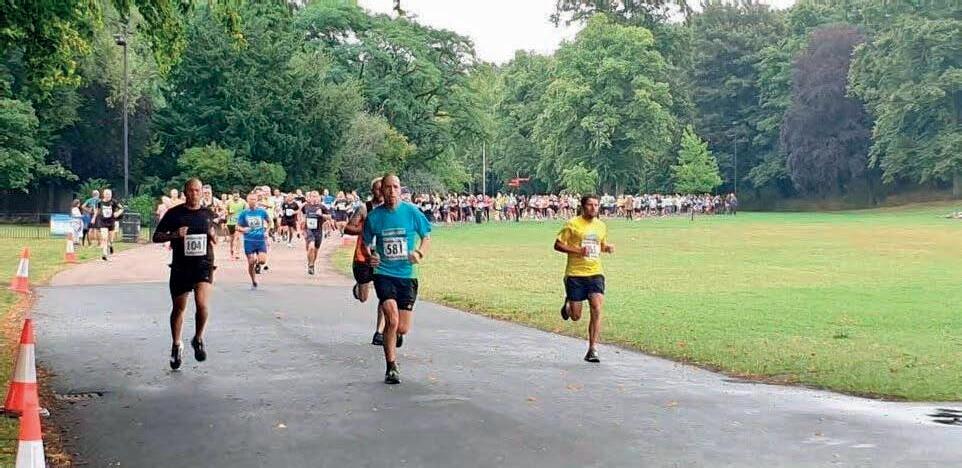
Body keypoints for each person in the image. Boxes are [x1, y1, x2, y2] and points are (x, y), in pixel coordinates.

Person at [362, 174, 431, 384]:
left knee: (401, 327)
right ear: (381, 190)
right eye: (388, 187)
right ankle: (391, 367)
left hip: (406, 275)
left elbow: (426, 236)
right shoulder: (374, 217)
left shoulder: (411, 212)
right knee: (391, 319)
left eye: (395, 187)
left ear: (400, 189)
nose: (392, 191)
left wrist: (419, 253)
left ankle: (395, 335)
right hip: (384, 273)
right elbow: (366, 244)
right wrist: (372, 256)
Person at [151, 179, 217, 370]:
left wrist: (213, 235)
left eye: (198, 190)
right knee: (179, 308)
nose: (194, 194)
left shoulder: (207, 213)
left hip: (204, 264)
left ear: (202, 192)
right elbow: (156, 236)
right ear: (185, 192)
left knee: (202, 305)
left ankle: (198, 338)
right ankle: (176, 344)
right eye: (191, 191)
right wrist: (174, 235)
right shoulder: (174, 213)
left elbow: (215, 234)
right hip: (181, 266)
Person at [554, 194, 615, 363]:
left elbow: (600, 245)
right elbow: (557, 244)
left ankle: (592, 349)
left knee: (596, 307)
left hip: (595, 272)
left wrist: (607, 248)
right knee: (575, 316)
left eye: (596, 205)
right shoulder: (572, 224)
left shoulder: (601, 226)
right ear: (582, 206)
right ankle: (568, 306)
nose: (594, 208)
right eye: (590, 205)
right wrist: (578, 251)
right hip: (575, 274)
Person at [345, 178, 385, 345]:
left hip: (383, 258)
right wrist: (365, 229)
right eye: (377, 189)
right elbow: (348, 228)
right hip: (363, 257)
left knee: (385, 295)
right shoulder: (364, 208)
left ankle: (379, 332)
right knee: (363, 298)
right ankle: (359, 287)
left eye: (383, 188)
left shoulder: (390, 209)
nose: (380, 192)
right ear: (372, 191)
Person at [236, 193, 271, 289]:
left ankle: (258, 264)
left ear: (257, 200)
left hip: (260, 240)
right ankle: (253, 280)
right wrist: (243, 229)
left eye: (254, 199)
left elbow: (269, 221)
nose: (252, 201)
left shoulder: (262, 211)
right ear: (247, 201)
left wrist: (267, 231)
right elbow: (237, 227)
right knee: (251, 262)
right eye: (250, 199)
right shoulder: (244, 213)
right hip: (249, 240)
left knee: (262, 261)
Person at [300, 191, 331, 275]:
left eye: (316, 196)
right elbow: (302, 214)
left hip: (318, 231)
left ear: (319, 197)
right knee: (311, 247)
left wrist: (321, 215)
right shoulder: (305, 206)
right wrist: (302, 223)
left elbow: (329, 217)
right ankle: (310, 265)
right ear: (309, 198)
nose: (314, 198)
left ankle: (312, 264)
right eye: (312, 196)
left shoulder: (322, 207)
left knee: (315, 250)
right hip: (309, 229)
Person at [92, 189, 123, 261]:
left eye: (109, 194)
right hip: (102, 221)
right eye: (107, 194)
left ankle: (110, 245)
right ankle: (104, 254)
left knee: (111, 239)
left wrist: (118, 213)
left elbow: (121, 208)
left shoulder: (114, 201)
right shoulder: (99, 202)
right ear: (104, 195)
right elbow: (96, 210)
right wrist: (94, 218)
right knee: (104, 237)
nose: (108, 196)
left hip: (111, 221)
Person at [226, 193, 246, 260]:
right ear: (232, 196)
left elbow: (246, 210)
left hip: (239, 223)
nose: (236, 197)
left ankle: (237, 253)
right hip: (230, 222)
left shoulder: (243, 202)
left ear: (239, 196)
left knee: (237, 237)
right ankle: (232, 251)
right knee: (232, 238)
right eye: (234, 196)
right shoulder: (229, 202)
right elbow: (225, 210)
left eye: (237, 196)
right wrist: (229, 213)